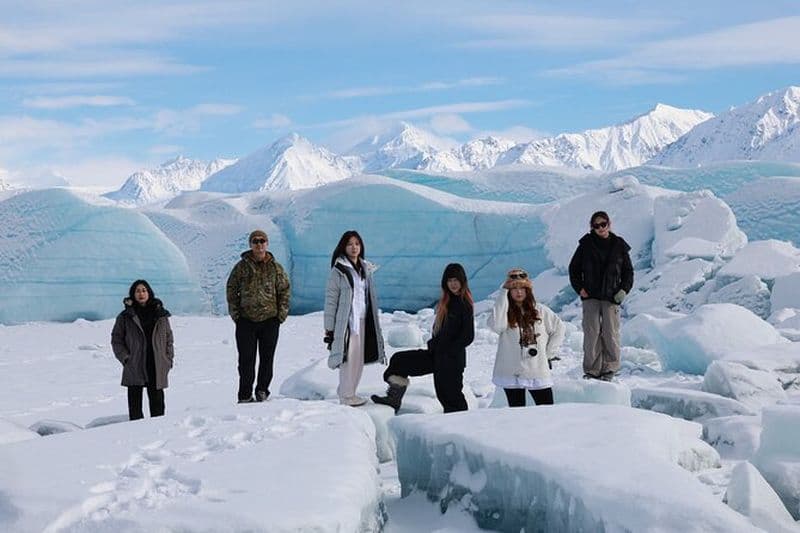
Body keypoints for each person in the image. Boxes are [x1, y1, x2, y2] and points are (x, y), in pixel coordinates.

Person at [372, 263, 474, 414]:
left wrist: (448, 350)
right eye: (450, 280)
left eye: (456, 280)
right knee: (400, 361)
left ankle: (460, 425)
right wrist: (434, 344)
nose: (453, 284)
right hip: (436, 356)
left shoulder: (464, 304)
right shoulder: (446, 303)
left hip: (452, 360)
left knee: (451, 396)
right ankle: (394, 398)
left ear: (462, 281)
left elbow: (468, 336)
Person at [226, 230, 291, 403]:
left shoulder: (276, 268)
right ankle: (245, 395)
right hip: (246, 321)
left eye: (262, 241)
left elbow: (284, 290)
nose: (259, 244)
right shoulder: (241, 267)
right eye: (255, 241)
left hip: (270, 320)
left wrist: (280, 315)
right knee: (246, 360)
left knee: (267, 359)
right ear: (250, 244)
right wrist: (237, 316)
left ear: (267, 244)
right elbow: (231, 289)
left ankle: (262, 390)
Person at [568, 211, 634, 381]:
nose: (600, 228)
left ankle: (610, 368)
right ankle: (592, 370)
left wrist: (623, 290)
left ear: (609, 224)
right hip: (590, 296)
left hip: (611, 297)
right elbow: (574, 269)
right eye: (596, 225)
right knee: (592, 333)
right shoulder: (586, 244)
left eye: (603, 224)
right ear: (592, 227)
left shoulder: (619, 245)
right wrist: (580, 288)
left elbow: (628, 272)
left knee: (610, 332)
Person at [324, 230, 386, 406]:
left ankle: (351, 392)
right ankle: (346, 395)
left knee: (358, 359)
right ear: (343, 247)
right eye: (350, 244)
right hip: (346, 322)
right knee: (347, 358)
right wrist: (330, 327)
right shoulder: (339, 270)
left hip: (363, 319)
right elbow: (331, 299)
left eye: (357, 244)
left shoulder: (365, 268)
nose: (354, 247)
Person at [490, 269, 565, 407]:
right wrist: (502, 293)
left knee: (547, 409)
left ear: (528, 290)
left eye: (522, 288)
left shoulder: (541, 310)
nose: (519, 292)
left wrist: (549, 353)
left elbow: (559, 328)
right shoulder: (504, 312)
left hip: (537, 369)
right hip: (511, 370)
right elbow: (496, 326)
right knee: (517, 412)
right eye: (514, 288)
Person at [111, 280, 175, 421]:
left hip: (156, 363)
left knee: (158, 407)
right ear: (133, 294)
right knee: (135, 408)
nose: (141, 293)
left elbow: (168, 338)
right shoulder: (125, 316)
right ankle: (137, 437)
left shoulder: (160, 314)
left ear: (149, 293)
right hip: (134, 363)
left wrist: (167, 359)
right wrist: (125, 358)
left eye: (144, 290)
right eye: (138, 291)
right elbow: (116, 339)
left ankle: (158, 434)